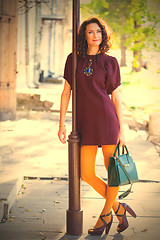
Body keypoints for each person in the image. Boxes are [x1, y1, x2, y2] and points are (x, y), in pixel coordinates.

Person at [58, 17, 136, 236]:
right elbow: (66, 92)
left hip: (107, 120)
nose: (95, 35)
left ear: (103, 35)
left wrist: (122, 127)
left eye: (98, 32)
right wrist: (62, 123)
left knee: (113, 174)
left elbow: (116, 96)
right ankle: (119, 208)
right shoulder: (73, 59)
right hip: (85, 123)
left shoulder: (110, 62)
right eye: (90, 32)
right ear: (84, 35)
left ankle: (105, 216)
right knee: (86, 173)